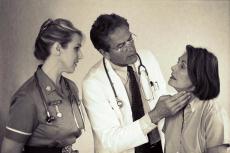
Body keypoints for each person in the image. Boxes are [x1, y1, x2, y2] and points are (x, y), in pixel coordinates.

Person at [82, 13, 191, 153]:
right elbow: (109, 142)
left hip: (159, 146)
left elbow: (161, 94)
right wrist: (154, 116)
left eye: (130, 39)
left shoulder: (147, 57)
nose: (131, 47)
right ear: (104, 53)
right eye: (121, 45)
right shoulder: (93, 83)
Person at [1, 18, 85, 153]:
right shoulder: (27, 98)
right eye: (76, 48)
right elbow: (9, 151)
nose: (81, 55)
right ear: (58, 48)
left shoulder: (71, 88)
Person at [164, 45, 230, 153]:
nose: (173, 67)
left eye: (182, 66)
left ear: (198, 77)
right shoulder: (171, 109)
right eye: (178, 62)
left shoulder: (213, 113)